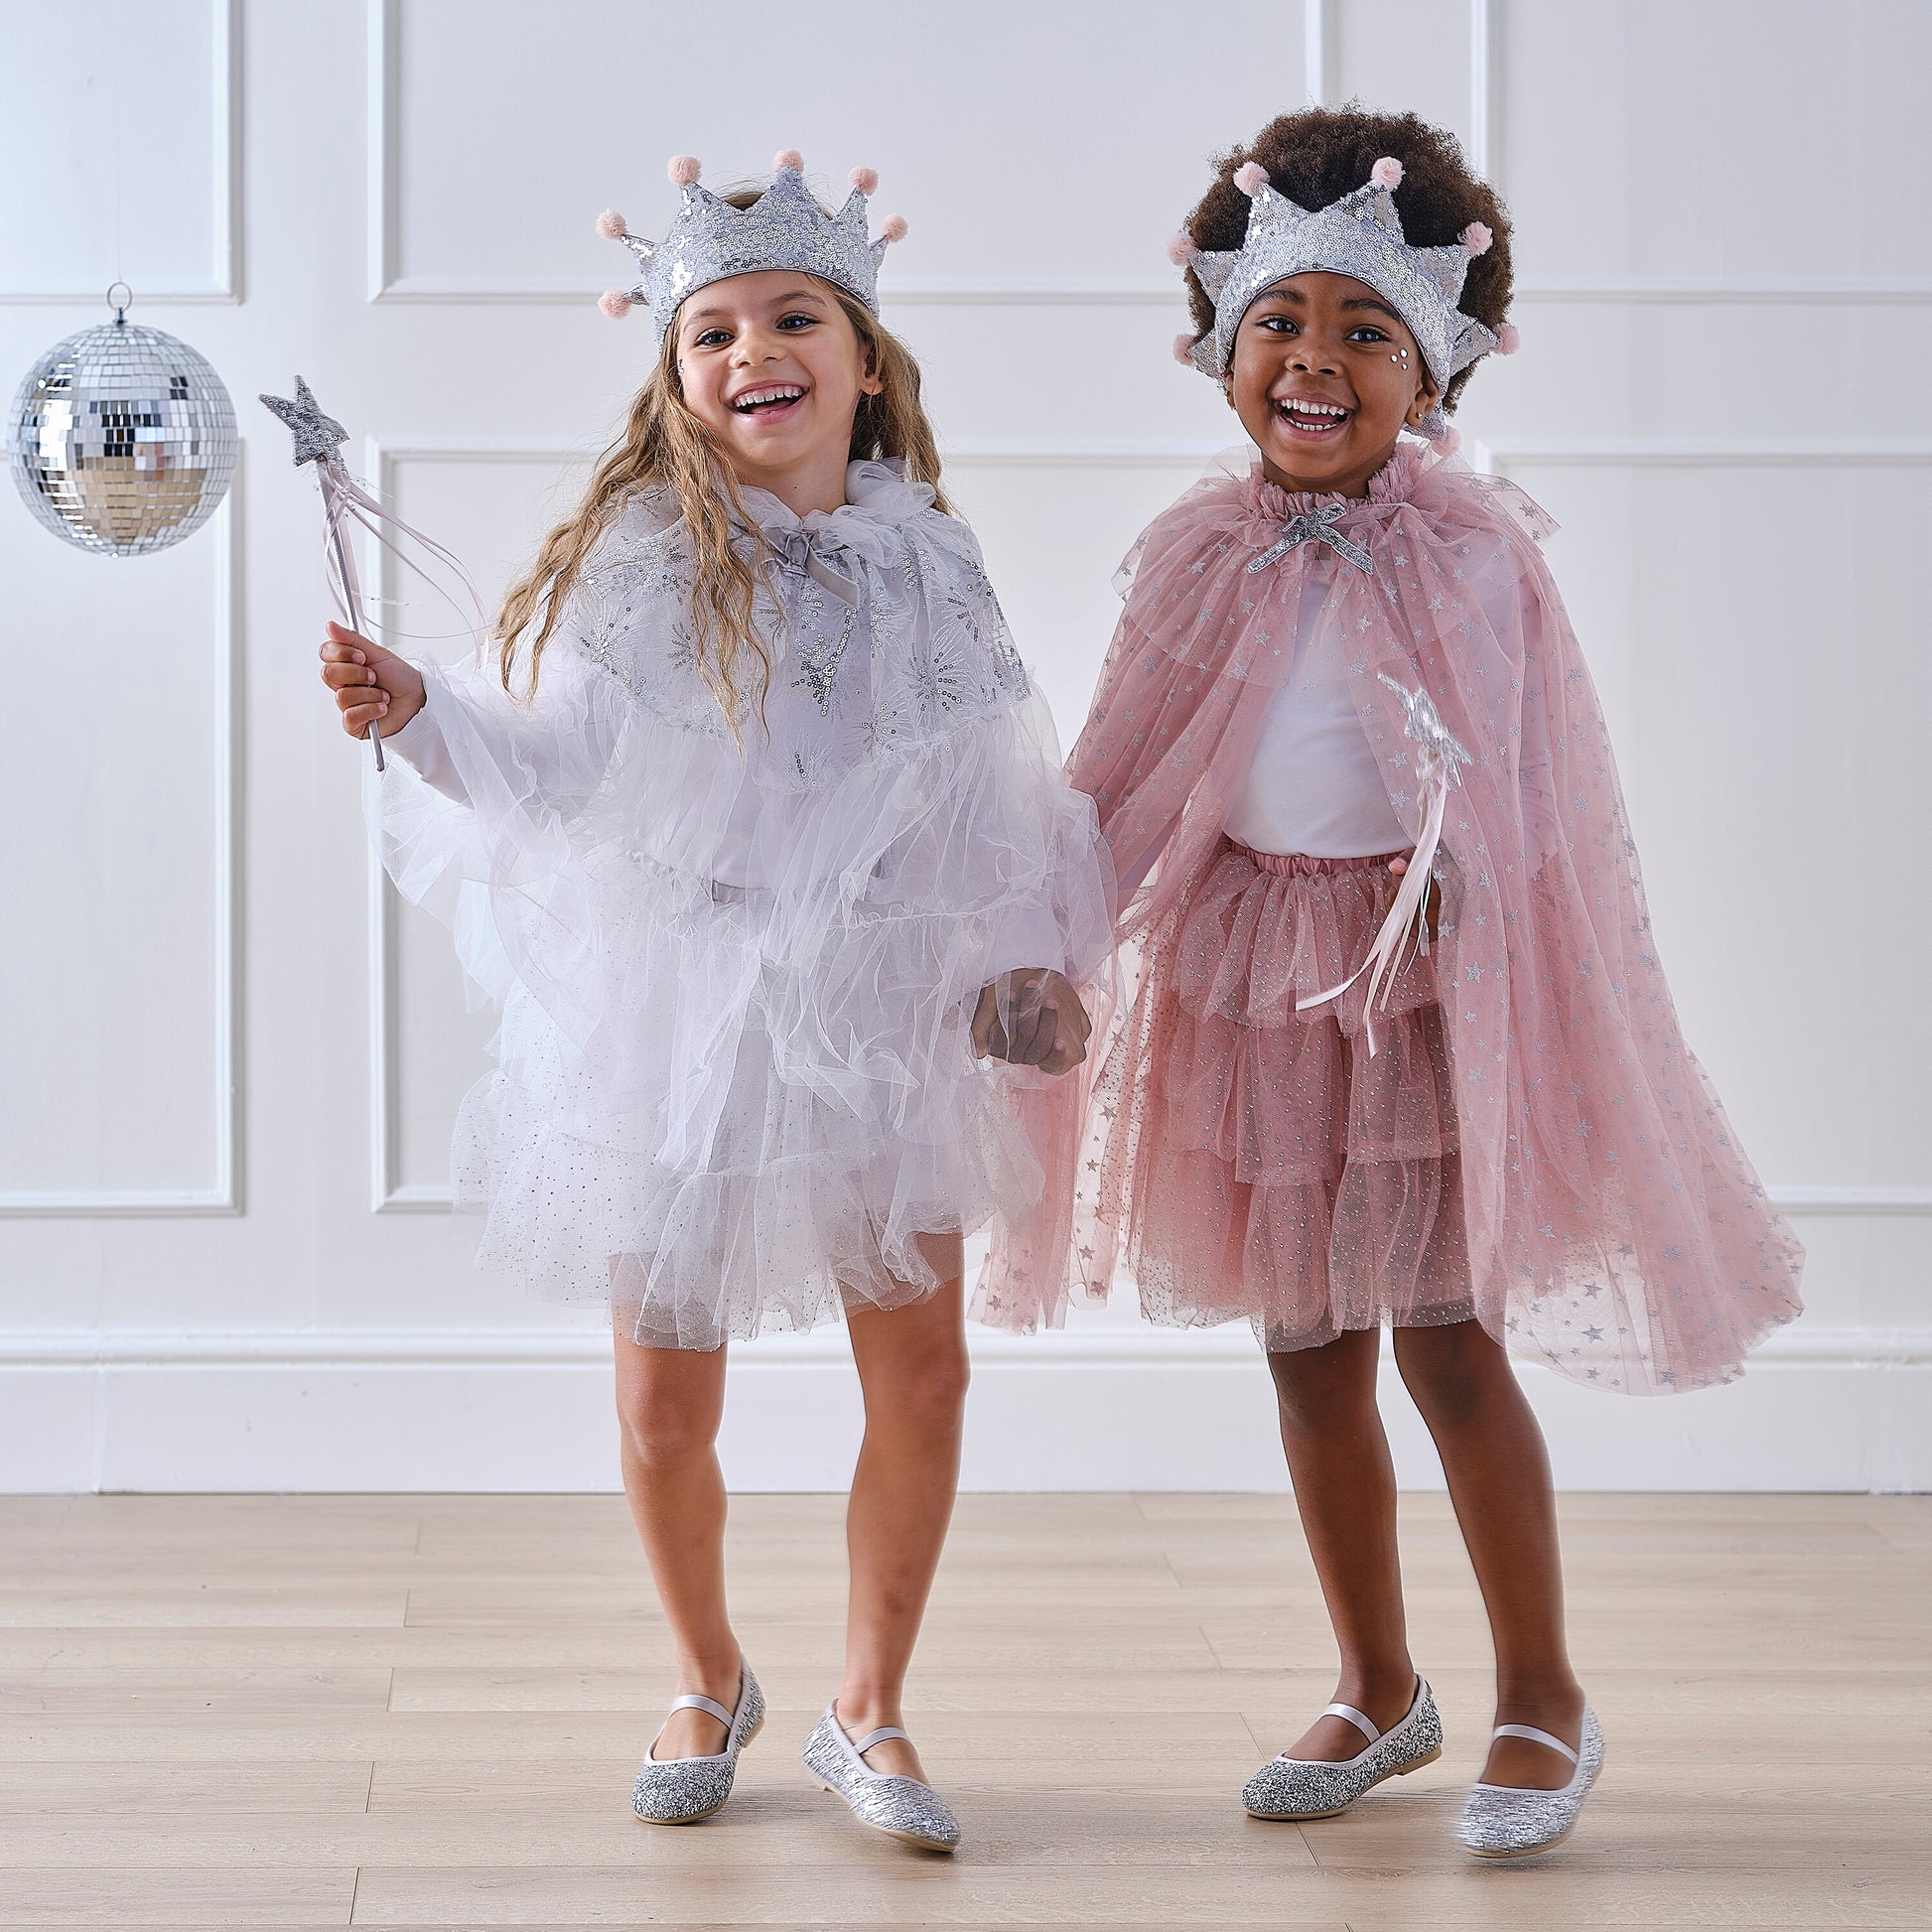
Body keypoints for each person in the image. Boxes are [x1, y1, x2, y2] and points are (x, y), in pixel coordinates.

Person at [983, 106, 1803, 1859]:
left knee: (1446, 1345)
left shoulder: (1473, 553)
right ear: (1220, 348)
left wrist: (1469, 908)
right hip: (1253, 981)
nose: (1314, 360)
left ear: (1432, 371)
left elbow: (1532, 789)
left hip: (1419, 987)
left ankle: (1542, 1691)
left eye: (1364, 331)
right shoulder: (1191, 555)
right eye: (1279, 323)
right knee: (1303, 1351)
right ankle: (1376, 1680)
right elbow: (1123, 774)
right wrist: (1045, 946)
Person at [319, 150, 1112, 1854]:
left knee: (924, 1377)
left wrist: (1024, 955)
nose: (755, 348)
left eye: (793, 316)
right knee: (662, 1403)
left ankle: (868, 1699)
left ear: (865, 359)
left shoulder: (931, 565)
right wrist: (418, 712)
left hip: (878, 1008)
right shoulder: (644, 564)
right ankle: (704, 1672)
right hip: (680, 1015)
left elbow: (991, 790)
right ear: (678, 379)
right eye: (714, 331)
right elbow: (551, 771)